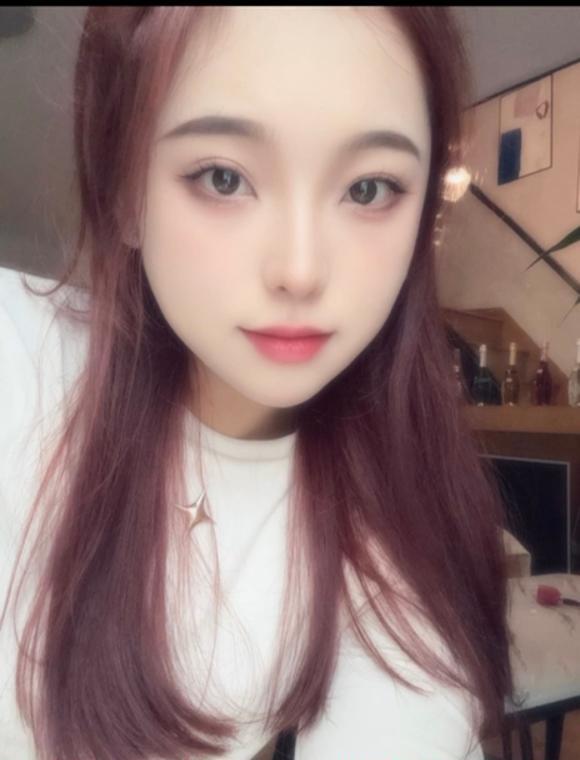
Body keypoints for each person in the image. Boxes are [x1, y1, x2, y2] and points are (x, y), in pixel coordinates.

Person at [0, 7, 515, 760]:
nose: (299, 270)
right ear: (123, 192)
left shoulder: (402, 533)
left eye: (369, 189)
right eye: (224, 177)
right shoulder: (19, 357)